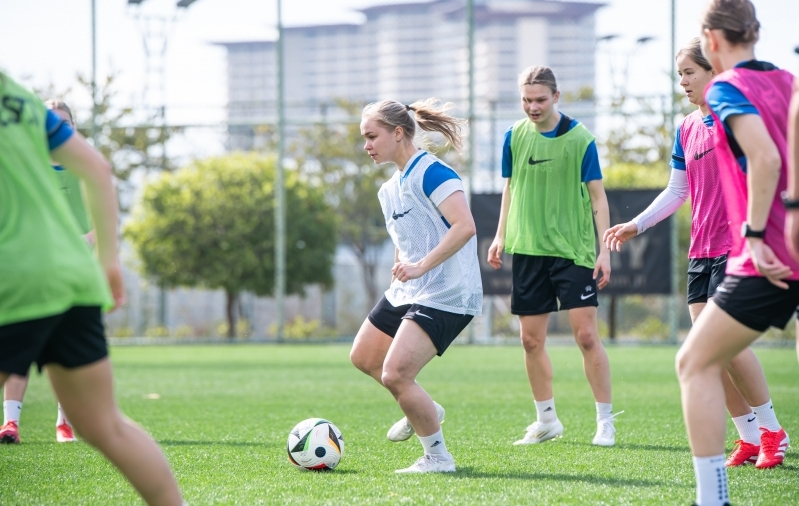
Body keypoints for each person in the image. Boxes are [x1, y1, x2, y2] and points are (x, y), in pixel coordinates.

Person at [0, 72, 183, 505]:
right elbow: (98, 169)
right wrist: (109, 263)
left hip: (16, 279)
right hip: (71, 279)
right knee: (104, 425)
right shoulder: (19, 98)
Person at [604, 38, 788, 469]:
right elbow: (677, 190)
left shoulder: (736, 117)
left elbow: (768, 164)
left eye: (690, 72)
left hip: (736, 245)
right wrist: (637, 224)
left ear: (712, 71)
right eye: (680, 73)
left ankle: (773, 431)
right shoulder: (687, 126)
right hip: (701, 250)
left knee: (725, 345)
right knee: (706, 352)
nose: (683, 81)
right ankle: (746, 436)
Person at [676, 1, 798, 504]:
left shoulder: (726, 87)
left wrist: (753, 232)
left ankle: (712, 497)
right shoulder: (788, 81)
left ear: (711, 40)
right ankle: (756, 437)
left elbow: (767, 157)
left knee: (695, 363)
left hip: (765, 252)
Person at [349, 98, 482, 473]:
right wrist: (402, 267)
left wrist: (421, 266)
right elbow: (405, 237)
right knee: (364, 357)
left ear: (398, 132)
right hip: (411, 290)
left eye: (372, 136)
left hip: (449, 292)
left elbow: (465, 227)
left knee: (395, 375)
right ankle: (424, 405)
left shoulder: (433, 172)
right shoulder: (388, 189)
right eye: (364, 138)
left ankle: (438, 458)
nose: (367, 146)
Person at [487, 66, 618, 447]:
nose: (533, 106)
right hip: (528, 250)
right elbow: (509, 189)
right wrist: (500, 235)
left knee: (587, 337)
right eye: (526, 100)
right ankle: (546, 420)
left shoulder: (581, 139)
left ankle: (605, 421)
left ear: (556, 97)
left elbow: (598, 197)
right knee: (530, 341)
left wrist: (603, 251)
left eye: (540, 99)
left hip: (572, 252)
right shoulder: (513, 136)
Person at [1, 100, 93, 445]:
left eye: (64, 122)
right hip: (31, 272)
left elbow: (103, 218)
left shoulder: (84, 166)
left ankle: (64, 423)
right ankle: (10, 424)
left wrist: (86, 239)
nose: (56, 127)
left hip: (73, 273)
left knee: (64, 350)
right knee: (17, 346)